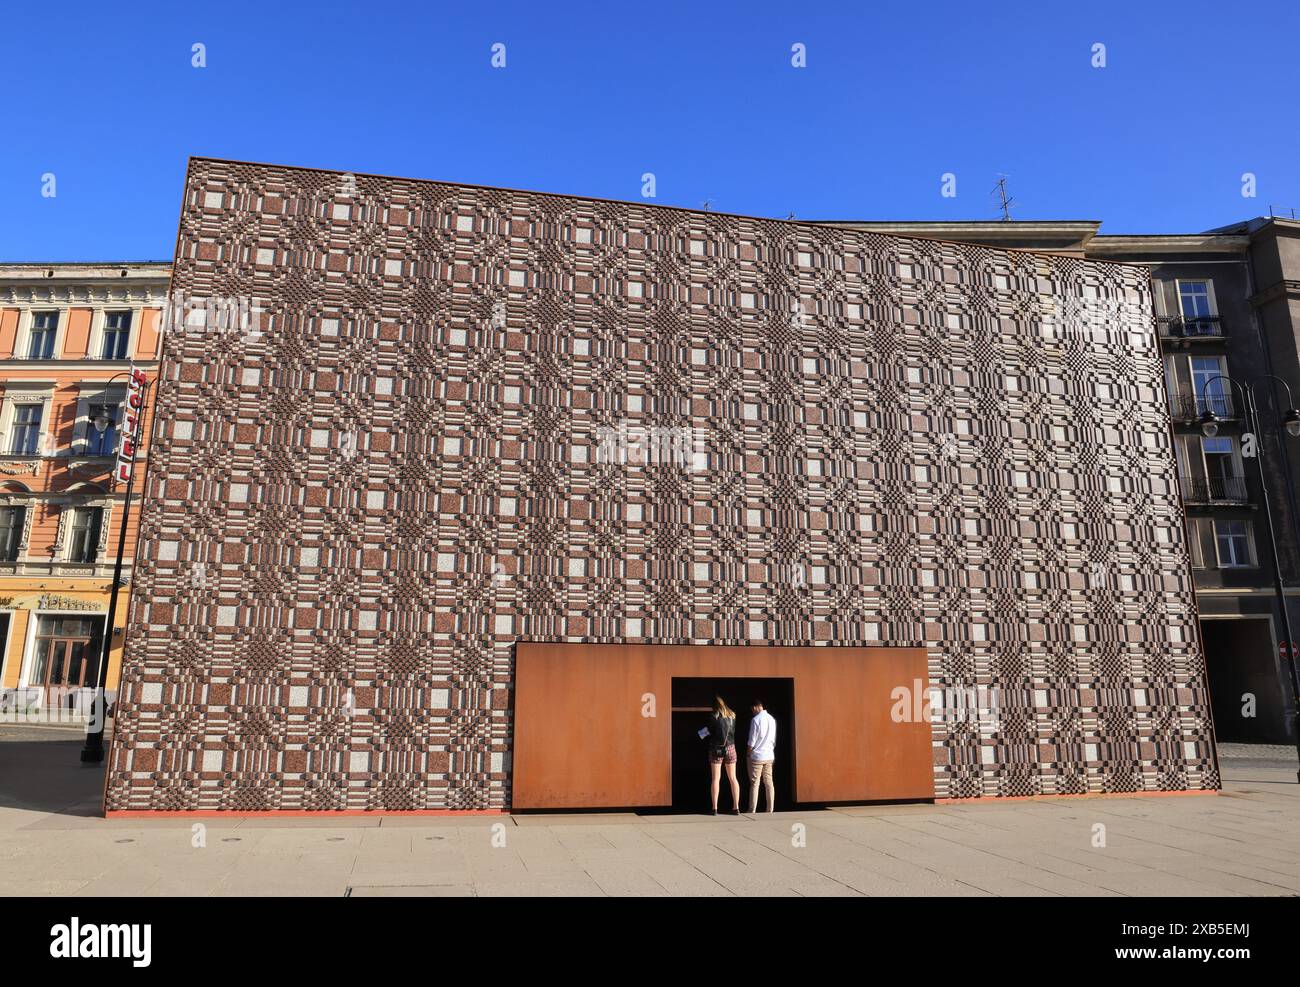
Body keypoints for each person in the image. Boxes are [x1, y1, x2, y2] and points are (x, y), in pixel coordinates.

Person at [705, 696, 740, 815]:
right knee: (733, 778)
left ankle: (714, 808)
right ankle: (736, 807)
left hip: (716, 749)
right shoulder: (732, 716)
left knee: (716, 779)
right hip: (731, 748)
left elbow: (709, 731)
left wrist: (699, 733)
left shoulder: (714, 716)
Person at [747, 698, 776, 813]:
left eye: (752, 709)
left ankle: (752, 809)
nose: (752, 711)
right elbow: (773, 740)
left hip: (757, 756)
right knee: (769, 782)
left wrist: (748, 754)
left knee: (755, 783)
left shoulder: (755, 720)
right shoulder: (772, 719)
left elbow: (751, 741)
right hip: (769, 755)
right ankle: (770, 809)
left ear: (755, 707)